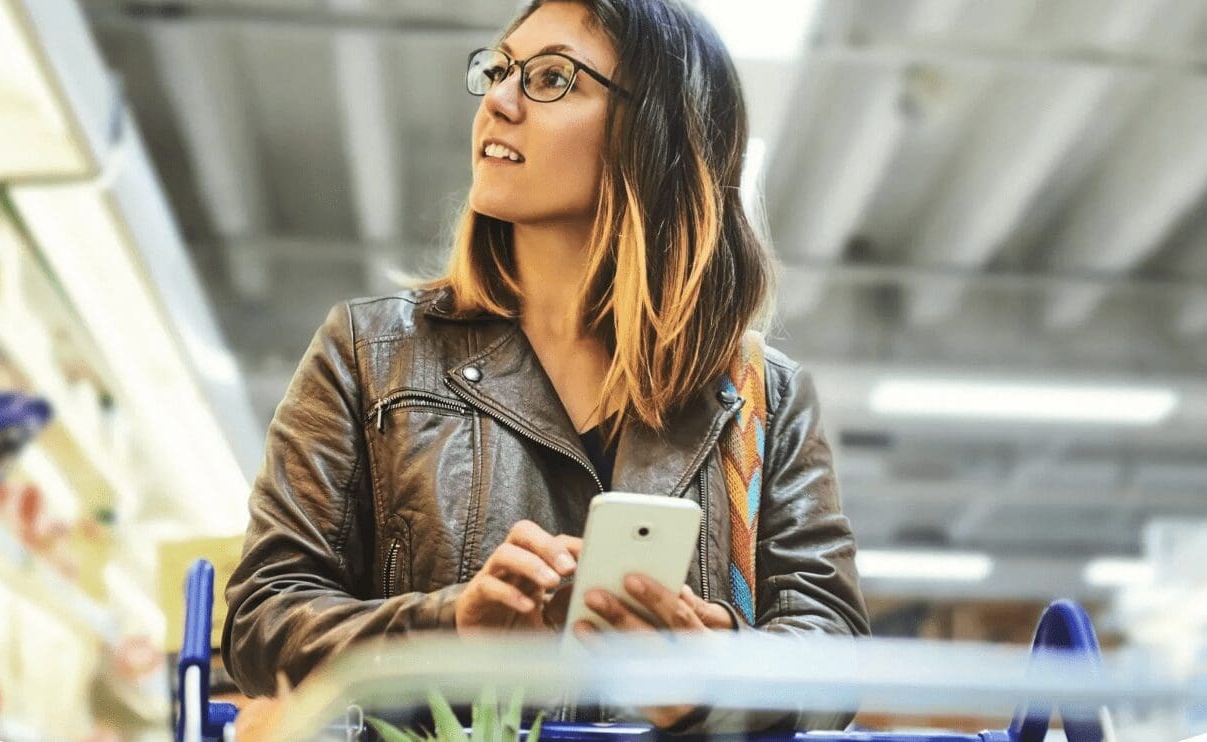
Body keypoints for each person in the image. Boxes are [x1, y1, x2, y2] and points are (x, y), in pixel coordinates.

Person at [223, 0, 869, 733]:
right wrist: (450, 626)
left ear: (655, 135)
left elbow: (833, 654)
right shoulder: (371, 354)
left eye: (552, 78)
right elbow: (260, 621)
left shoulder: (765, 398)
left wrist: (707, 671)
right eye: (498, 70)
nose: (498, 99)